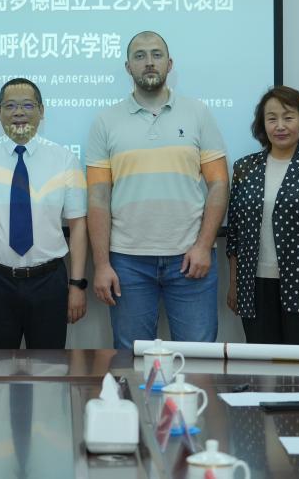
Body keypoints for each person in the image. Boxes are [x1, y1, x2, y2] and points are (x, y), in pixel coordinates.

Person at [87, 31, 229, 349]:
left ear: (169, 63)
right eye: (139, 56)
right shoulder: (105, 121)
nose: (149, 62)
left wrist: (204, 245)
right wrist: (102, 264)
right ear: (128, 67)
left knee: (198, 359)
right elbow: (98, 198)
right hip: (127, 262)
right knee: (132, 358)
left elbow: (219, 184)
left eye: (156, 54)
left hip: (190, 258)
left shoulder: (198, 113)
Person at [0, 78, 88, 348]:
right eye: (10, 106)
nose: (19, 112)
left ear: (42, 111)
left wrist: (76, 285)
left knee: (49, 367)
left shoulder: (64, 160)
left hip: (49, 282)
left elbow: (78, 225)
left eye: (28, 105)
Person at [225, 85, 299, 360]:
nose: (280, 126)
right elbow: (235, 234)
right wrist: (234, 283)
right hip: (254, 287)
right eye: (272, 118)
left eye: (288, 117)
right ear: (262, 124)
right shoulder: (245, 168)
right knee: (263, 370)